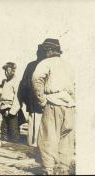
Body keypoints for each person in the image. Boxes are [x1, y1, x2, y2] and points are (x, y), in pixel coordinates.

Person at [32, 38, 75, 175]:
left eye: (46, 50)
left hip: (53, 103)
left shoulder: (46, 63)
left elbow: (36, 80)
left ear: (49, 50)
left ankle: (48, 170)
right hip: (69, 105)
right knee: (66, 139)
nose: (45, 53)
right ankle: (63, 169)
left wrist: (42, 100)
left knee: (48, 137)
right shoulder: (68, 65)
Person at [18, 44, 45, 147]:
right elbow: (24, 84)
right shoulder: (42, 65)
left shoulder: (31, 65)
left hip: (33, 101)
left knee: (34, 124)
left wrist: (25, 100)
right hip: (40, 101)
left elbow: (23, 84)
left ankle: (33, 144)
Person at [0, 62, 21, 142]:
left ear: (13, 70)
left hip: (11, 110)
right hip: (4, 109)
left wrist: (12, 111)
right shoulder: (6, 82)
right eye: (5, 71)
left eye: (8, 70)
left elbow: (18, 97)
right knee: (4, 130)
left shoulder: (16, 81)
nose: (6, 72)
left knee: (13, 132)